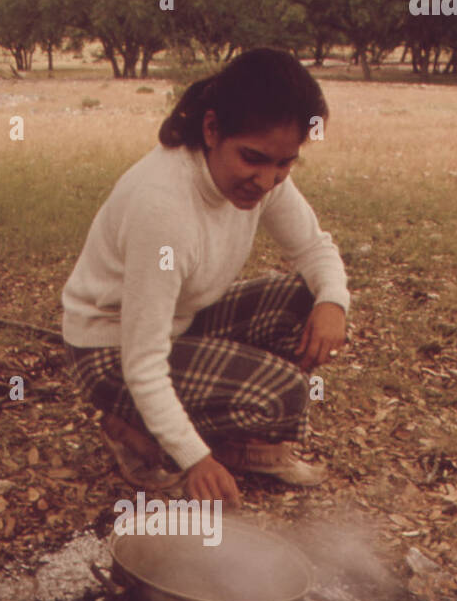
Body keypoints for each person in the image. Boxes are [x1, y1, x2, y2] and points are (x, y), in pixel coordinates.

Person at [61, 47, 350, 506]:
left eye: (285, 163)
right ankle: (134, 428)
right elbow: (143, 361)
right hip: (109, 349)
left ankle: (226, 443)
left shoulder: (265, 174)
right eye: (254, 158)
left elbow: (315, 248)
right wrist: (196, 460)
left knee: (305, 301)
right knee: (280, 393)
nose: (267, 179)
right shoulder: (164, 208)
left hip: (178, 322)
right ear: (212, 129)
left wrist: (333, 301)